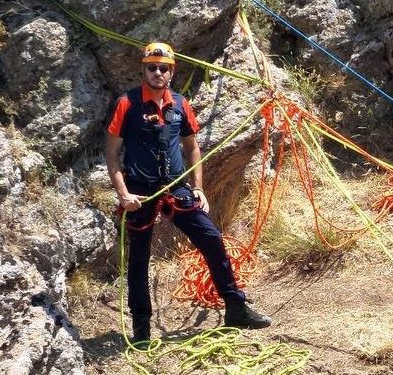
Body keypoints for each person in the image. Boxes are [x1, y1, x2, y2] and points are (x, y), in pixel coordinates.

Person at [105, 41, 271, 345]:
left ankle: (236, 307)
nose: (158, 72)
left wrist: (198, 188)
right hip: (139, 191)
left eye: (164, 68)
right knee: (139, 258)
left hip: (175, 188)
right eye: (152, 67)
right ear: (143, 69)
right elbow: (112, 153)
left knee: (210, 238)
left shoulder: (180, 105)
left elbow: (192, 147)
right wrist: (123, 194)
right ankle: (141, 329)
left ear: (171, 73)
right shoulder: (127, 104)